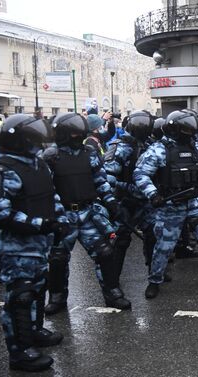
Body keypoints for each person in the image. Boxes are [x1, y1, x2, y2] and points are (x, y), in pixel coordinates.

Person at [0, 114, 68, 371]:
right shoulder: (2, 168)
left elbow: (50, 194)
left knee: (37, 290)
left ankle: (34, 332)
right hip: (16, 246)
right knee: (20, 297)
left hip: (39, 244)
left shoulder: (37, 164)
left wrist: (59, 220)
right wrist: (41, 224)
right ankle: (20, 352)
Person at [134, 110, 198, 299]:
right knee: (164, 246)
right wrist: (152, 194)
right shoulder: (159, 150)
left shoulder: (197, 149)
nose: (190, 133)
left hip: (195, 203)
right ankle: (154, 280)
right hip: (170, 206)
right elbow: (140, 174)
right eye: (186, 129)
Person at [43, 113, 131, 315]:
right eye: (73, 132)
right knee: (57, 258)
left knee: (105, 253)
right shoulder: (50, 156)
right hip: (63, 216)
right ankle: (57, 297)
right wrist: (56, 216)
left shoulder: (89, 153)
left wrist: (112, 205)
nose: (76, 136)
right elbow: (47, 190)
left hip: (87, 214)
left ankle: (113, 293)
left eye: (79, 133)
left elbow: (101, 181)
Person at [103, 110, 156, 279]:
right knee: (121, 240)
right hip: (124, 200)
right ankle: (113, 279)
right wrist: (126, 188)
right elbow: (107, 176)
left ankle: (154, 272)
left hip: (145, 200)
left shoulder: (149, 145)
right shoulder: (120, 147)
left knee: (152, 235)